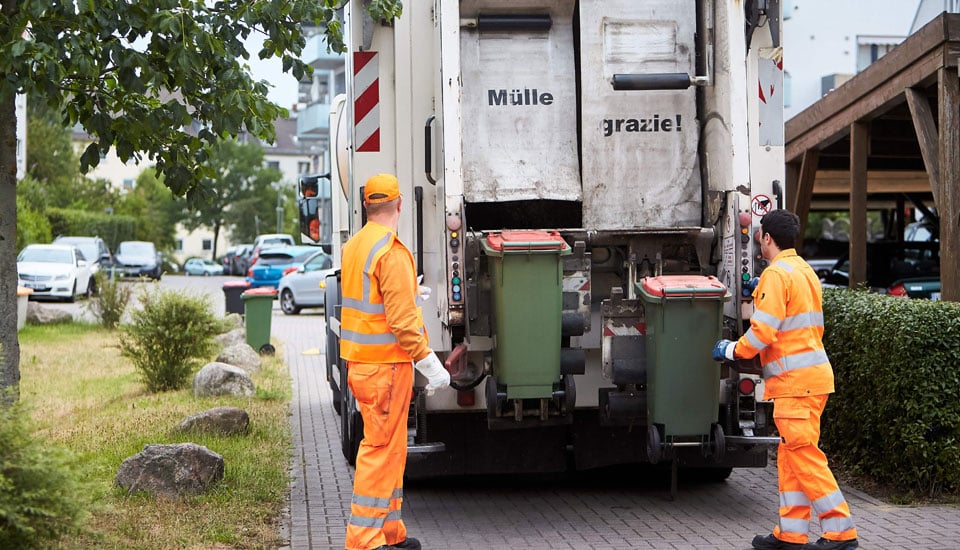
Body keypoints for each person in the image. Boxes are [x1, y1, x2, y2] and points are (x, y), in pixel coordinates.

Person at [712, 209, 858, 550]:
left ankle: (841, 531)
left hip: (796, 384)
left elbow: (763, 332)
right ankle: (791, 535)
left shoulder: (777, 275)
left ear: (766, 238)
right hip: (811, 379)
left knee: (804, 455)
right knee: (793, 457)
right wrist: (758, 286)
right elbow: (790, 303)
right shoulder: (802, 270)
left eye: (760, 236)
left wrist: (731, 350)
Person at [339, 173, 451, 550]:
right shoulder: (392, 250)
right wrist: (431, 364)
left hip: (362, 365)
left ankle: (390, 534)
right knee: (379, 451)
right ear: (400, 204)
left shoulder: (355, 246)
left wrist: (408, 291)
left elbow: (374, 302)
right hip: (386, 367)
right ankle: (365, 541)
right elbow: (402, 323)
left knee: (390, 450)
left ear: (366, 206)